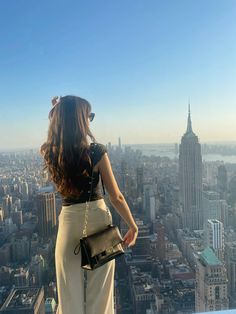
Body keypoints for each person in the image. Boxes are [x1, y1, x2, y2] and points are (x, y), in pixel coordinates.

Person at [40, 95, 138, 314]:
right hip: (98, 222)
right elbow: (116, 197)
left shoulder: (52, 153)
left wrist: (57, 112)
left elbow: (57, 127)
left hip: (68, 225)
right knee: (101, 297)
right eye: (88, 116)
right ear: (81, 120)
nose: (90, 121)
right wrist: (133, 225)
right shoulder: (97, 152)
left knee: (68, 298)